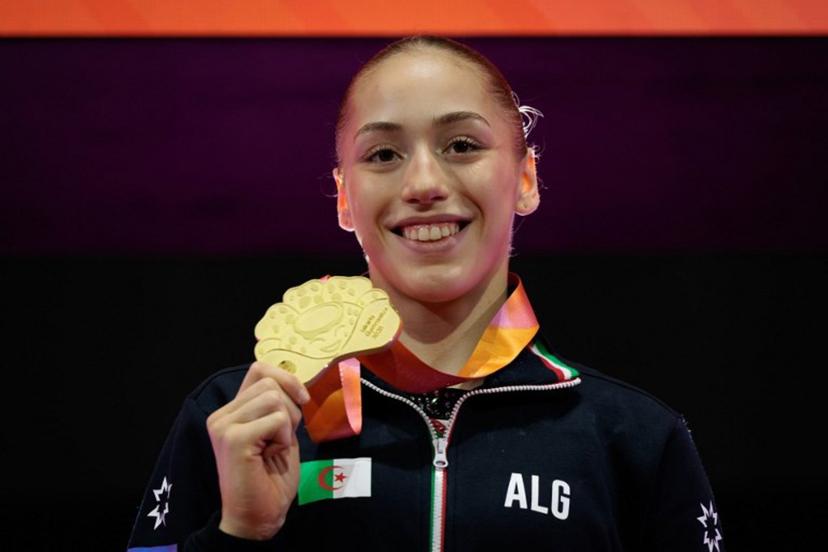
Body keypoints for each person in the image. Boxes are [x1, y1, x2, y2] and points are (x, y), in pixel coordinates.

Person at [128, 36, 725, 551]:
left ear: (525, 179)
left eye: (462, 145)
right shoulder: (237, 417)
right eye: (383, 154)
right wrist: (240, 534)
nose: (423, 184)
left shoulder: (633, 436)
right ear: (343, 198)